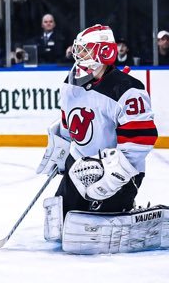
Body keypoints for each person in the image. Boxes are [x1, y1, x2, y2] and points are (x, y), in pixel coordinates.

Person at [36, 24, 163, 255]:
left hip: (118, 169)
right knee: (62, 226)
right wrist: (60, 151)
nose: (78, 56)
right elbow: (67, 124)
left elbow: (141, 140)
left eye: (84, 51)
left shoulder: (127, 90)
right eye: (78, 50)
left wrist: (114, 176)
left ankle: (126, 205)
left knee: (94, 230)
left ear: (103, 53)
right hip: (79, 165)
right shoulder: (70, 82)